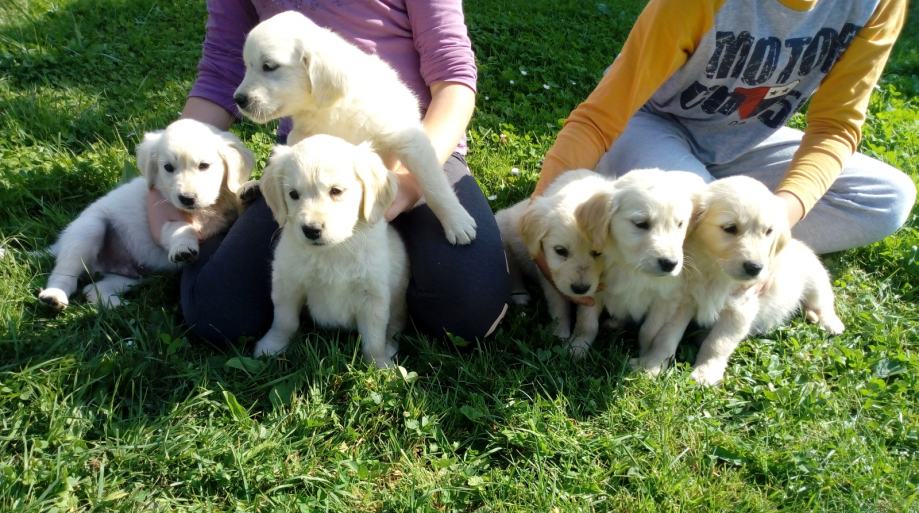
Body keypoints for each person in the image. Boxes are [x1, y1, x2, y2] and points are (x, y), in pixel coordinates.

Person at [149, 0, 509, 346]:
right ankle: (227, 218)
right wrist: (168, 174)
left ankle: (385, 292)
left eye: (269, 68)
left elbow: (453, 78)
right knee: (216, 314)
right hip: (307, 174)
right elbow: (220, 73)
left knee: (470, 313)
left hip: (423, 151)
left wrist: (406, 187)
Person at [534, 0, 915, 269]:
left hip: (749, 138)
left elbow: (835, 128)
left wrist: (778, 218)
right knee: (701, 203)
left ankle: (719, 245)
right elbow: (600, 118)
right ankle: (713, 248)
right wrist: (543, 217)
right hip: (649, 126)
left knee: (889, 197)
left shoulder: (876, 3)